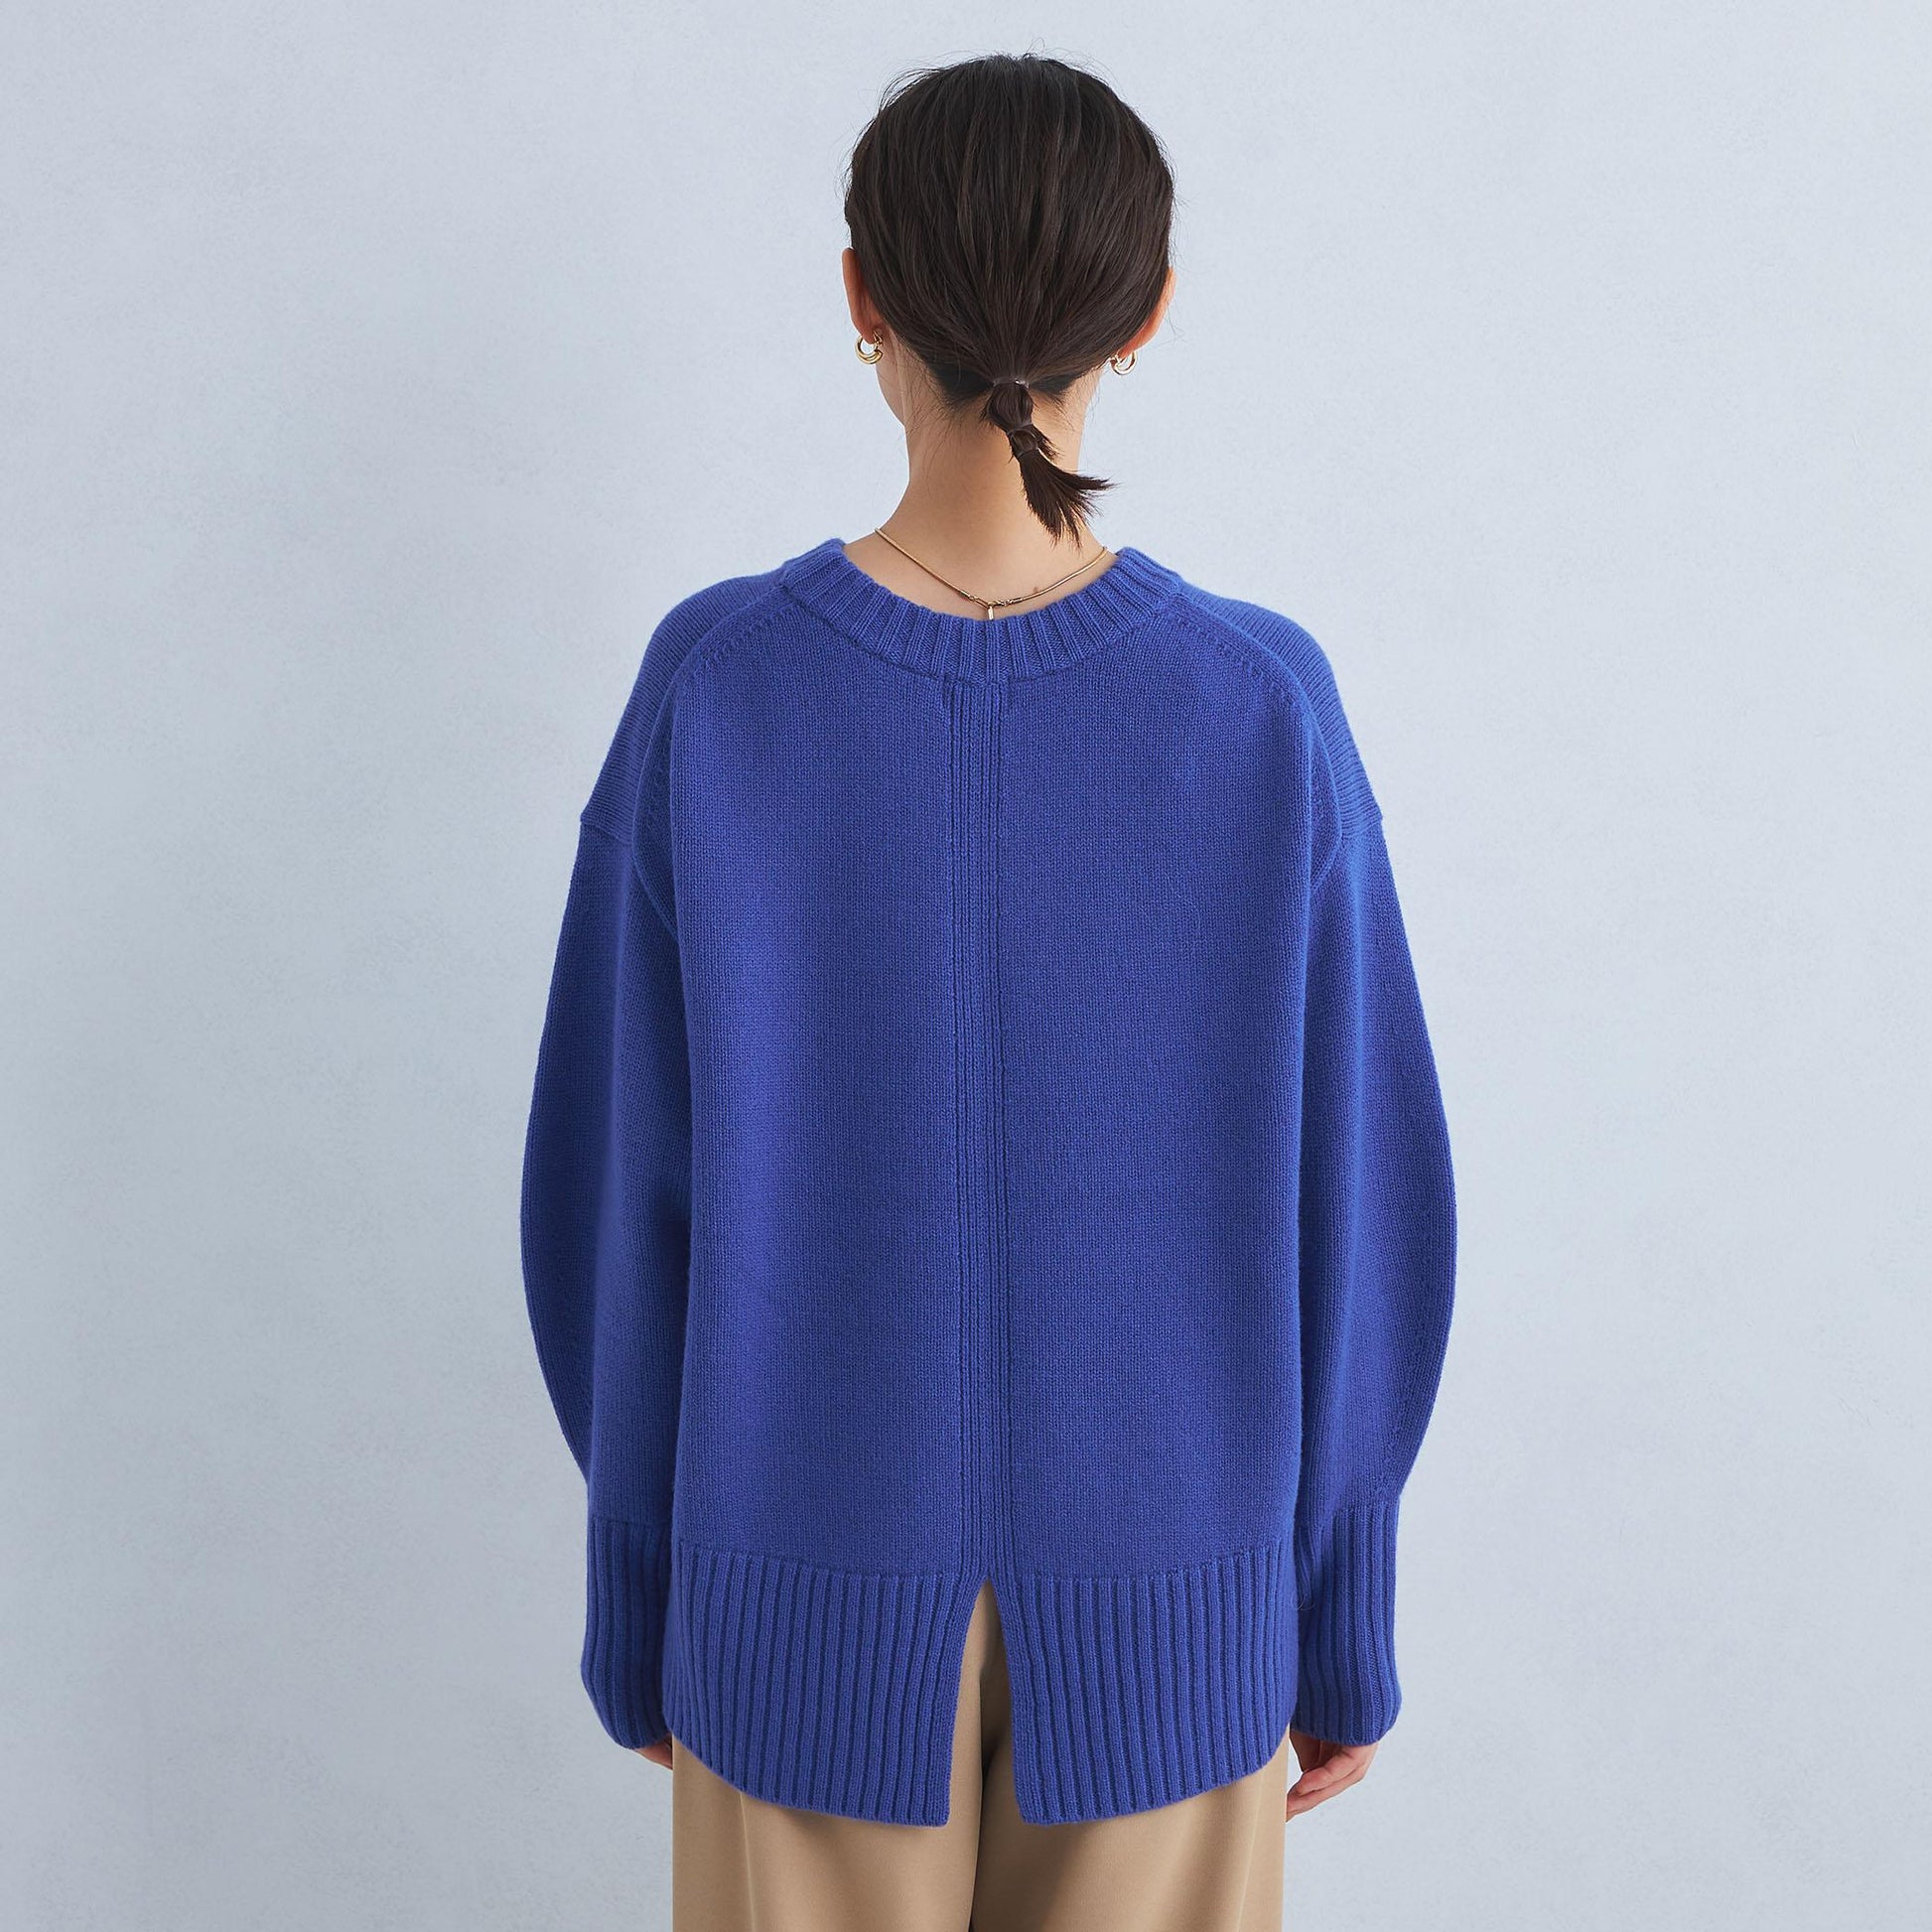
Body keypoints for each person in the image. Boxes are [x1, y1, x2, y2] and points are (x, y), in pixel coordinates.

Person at [519, 51, 1456, 1932]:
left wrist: (641, 1596)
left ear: (860, 292)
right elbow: (1362, 1204)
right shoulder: (1257, 705)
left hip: (789, 1598)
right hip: (1182, 1602)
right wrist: (1335, 1610)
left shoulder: (719, 687)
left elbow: (613, 1198)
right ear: (1149, 310)